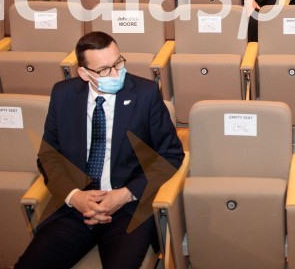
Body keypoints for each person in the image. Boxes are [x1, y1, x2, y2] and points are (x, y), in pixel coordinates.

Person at [15, 32, 183, 269]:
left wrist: (124, 194)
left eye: (118, 63)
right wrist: (75, 196)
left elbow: (171, 155)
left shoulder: (145, 94)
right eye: (104, 70)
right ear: (84, 73)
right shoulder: (63, 94)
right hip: (75, 209)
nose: (116, 74)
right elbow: (48, 155)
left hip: (127, 210)